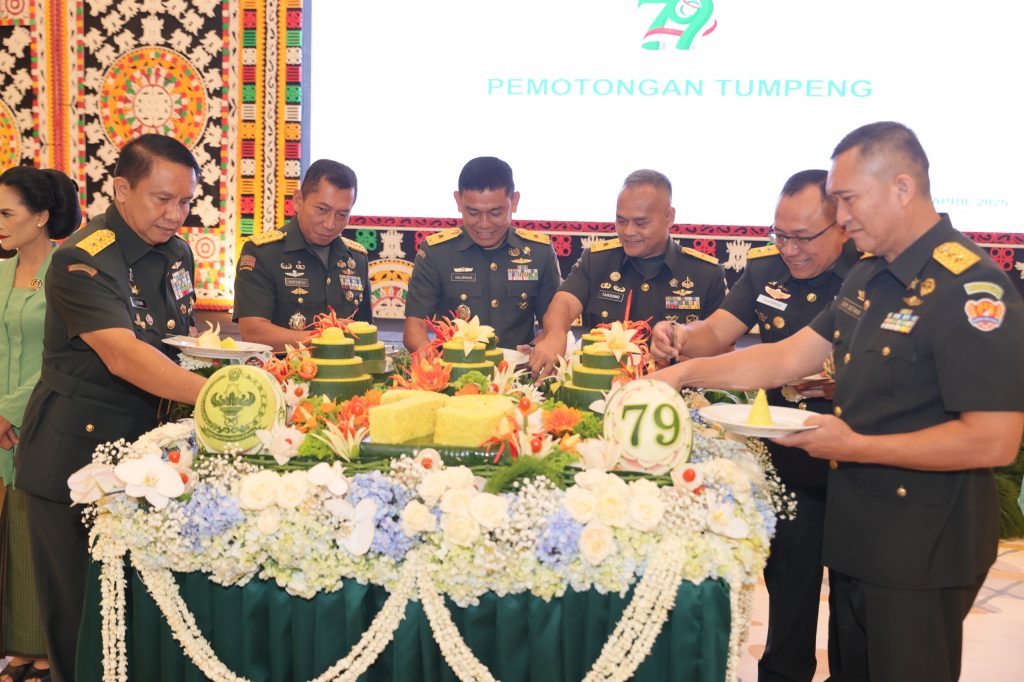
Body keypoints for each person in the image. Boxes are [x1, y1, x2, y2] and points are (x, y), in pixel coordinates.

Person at [650, 121, 1024, 682]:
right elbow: (785, 357)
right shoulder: (870, 277)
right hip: (859, 535)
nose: (842, 216)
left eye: (848, 199)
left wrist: (856, 446)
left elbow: (994, 440)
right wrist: (682, 373)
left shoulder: (971, 289)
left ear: (902, 188)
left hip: (922, 543)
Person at [14, 134, 209, 682]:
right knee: (82, 628)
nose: (175, 214)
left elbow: (176, 338)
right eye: (162, 199)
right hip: (75, 458)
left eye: (186, 202)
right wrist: (220, 395)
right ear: (122, 189)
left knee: (140, 624)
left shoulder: (176, 252)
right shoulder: (81, 258)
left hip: (145, 457)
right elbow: (124, 355)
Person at [651, 169, 858, 682]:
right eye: (779, 235)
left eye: (803, 237)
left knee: (858, 599)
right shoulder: (766, 270)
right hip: (786, 454)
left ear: (841, 225)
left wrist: (844, 381)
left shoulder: (870, 274)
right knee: (788, 580)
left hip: (859, 456)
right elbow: (717, 331)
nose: (789, 249)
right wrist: (680, 336)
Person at [529, 169, 726, 377]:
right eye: (621, 221)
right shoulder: (597, 260)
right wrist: (555, 335)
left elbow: (722, 351)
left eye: (641, 223)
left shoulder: (705, 274)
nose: (628, 231)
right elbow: (564, 303)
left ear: (669, 217)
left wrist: (665, 363)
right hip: (601, 387)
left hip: (673, 389)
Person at [0, 167, 80, 682]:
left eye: (7, 213)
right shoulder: (0, 271)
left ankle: (45, 649)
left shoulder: (66, 273)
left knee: (37, 532)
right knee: (10, 533)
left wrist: (10, 411)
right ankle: (16, 646)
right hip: (2, 425)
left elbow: (63, 356)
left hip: (44, 417)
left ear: (41, 217)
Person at [403, 156, 560, 352]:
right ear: (458, 201)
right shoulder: (436, 253)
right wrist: (431, 360)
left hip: (520, 368)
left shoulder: (539, 253)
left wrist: (533, 351)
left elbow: (555, 327)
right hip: (454, 368)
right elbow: (415, 327)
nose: (484, 224)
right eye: (473, 213)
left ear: (514, 201)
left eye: (495, 213)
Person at [234, 159, 371, 351]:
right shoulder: (263, 252)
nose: (330, 224)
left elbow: (364, 331)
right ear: (298, 201)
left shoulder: (356, 258)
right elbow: (253, 332)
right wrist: (323, 337)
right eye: (322, 210)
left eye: (342, 214)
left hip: (345, 368)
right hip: (282, 367)